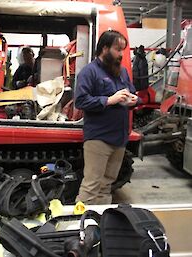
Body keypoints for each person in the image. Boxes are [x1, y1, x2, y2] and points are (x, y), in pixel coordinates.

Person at [75, 30, 138, 205]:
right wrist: (109, 100)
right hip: (99, 138)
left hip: (119, 138)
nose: (121, 54)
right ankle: (78, 225)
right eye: (118, 49)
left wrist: (134, 100)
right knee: (91, 185)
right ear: (104, 48)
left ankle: (101, 222)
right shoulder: (89, 72)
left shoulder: (122, 72)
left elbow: (133, 94)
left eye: (123, 50)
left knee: (106, 184)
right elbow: (80, 101)